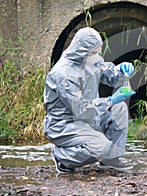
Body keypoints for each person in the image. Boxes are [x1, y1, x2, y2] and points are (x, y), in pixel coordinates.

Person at [43, 27, 135, 173]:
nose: (96, 56)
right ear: (82, 51)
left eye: (98, 52)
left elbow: (106, 73)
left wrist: (119, 71)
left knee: (120, 108)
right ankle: (63, 158)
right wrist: (110, 100)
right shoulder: (63, 74)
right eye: (94, 53)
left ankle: (111, 159)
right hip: (66, 124)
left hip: (90, 118)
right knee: (101, 147)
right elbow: (81, 110)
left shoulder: (89, 60)